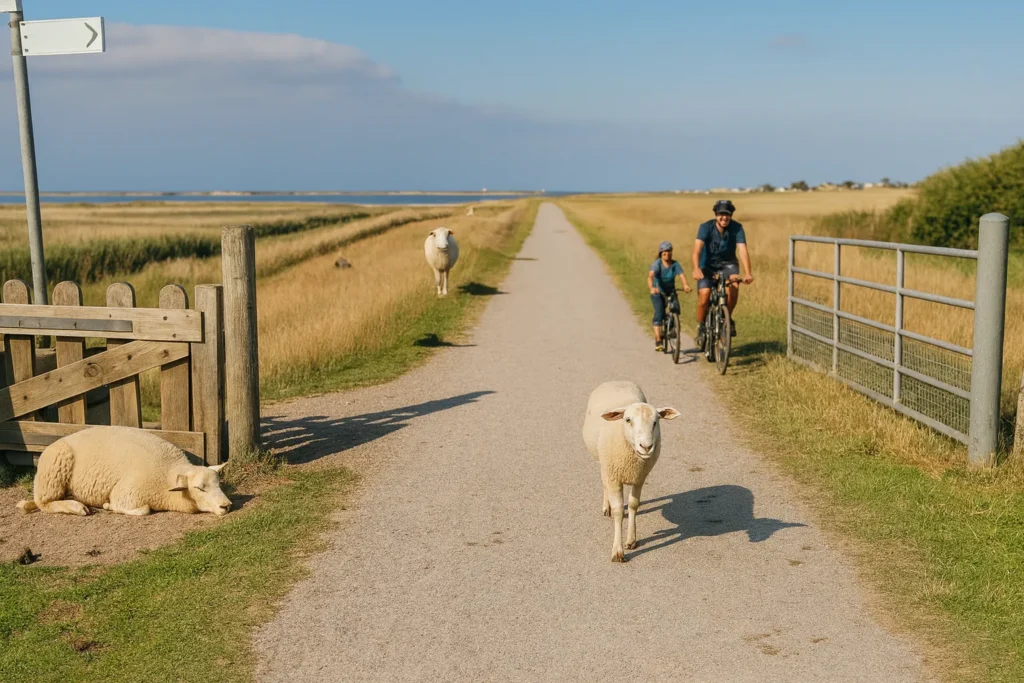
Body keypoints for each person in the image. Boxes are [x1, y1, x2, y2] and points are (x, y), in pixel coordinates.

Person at [691, 199, 754, 348]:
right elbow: (697, 250)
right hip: (707, 265)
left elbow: (742, 249)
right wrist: (696, 268)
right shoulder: (705, 227)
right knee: (705, 295)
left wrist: (748, 272)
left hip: (728, 264)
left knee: (734, 286)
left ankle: (727, 318)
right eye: (721, 214)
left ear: (731, 215)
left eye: (727, 214)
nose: (724, 217)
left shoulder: (737, 228)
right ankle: (701, 326)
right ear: (716, 214)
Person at [648, 241, 692, 352]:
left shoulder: (675, 264)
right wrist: (652, 288)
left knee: (675, 309)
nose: (667, 255)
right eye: (664, 253)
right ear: (660, 254)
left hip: (671, 291)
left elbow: (681, 275)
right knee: (659, 313)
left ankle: (672, 327)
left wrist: (685, 285)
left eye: (669, 252)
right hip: (658, 292)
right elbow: (650, 277)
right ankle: (658, 340)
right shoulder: (657, 264)